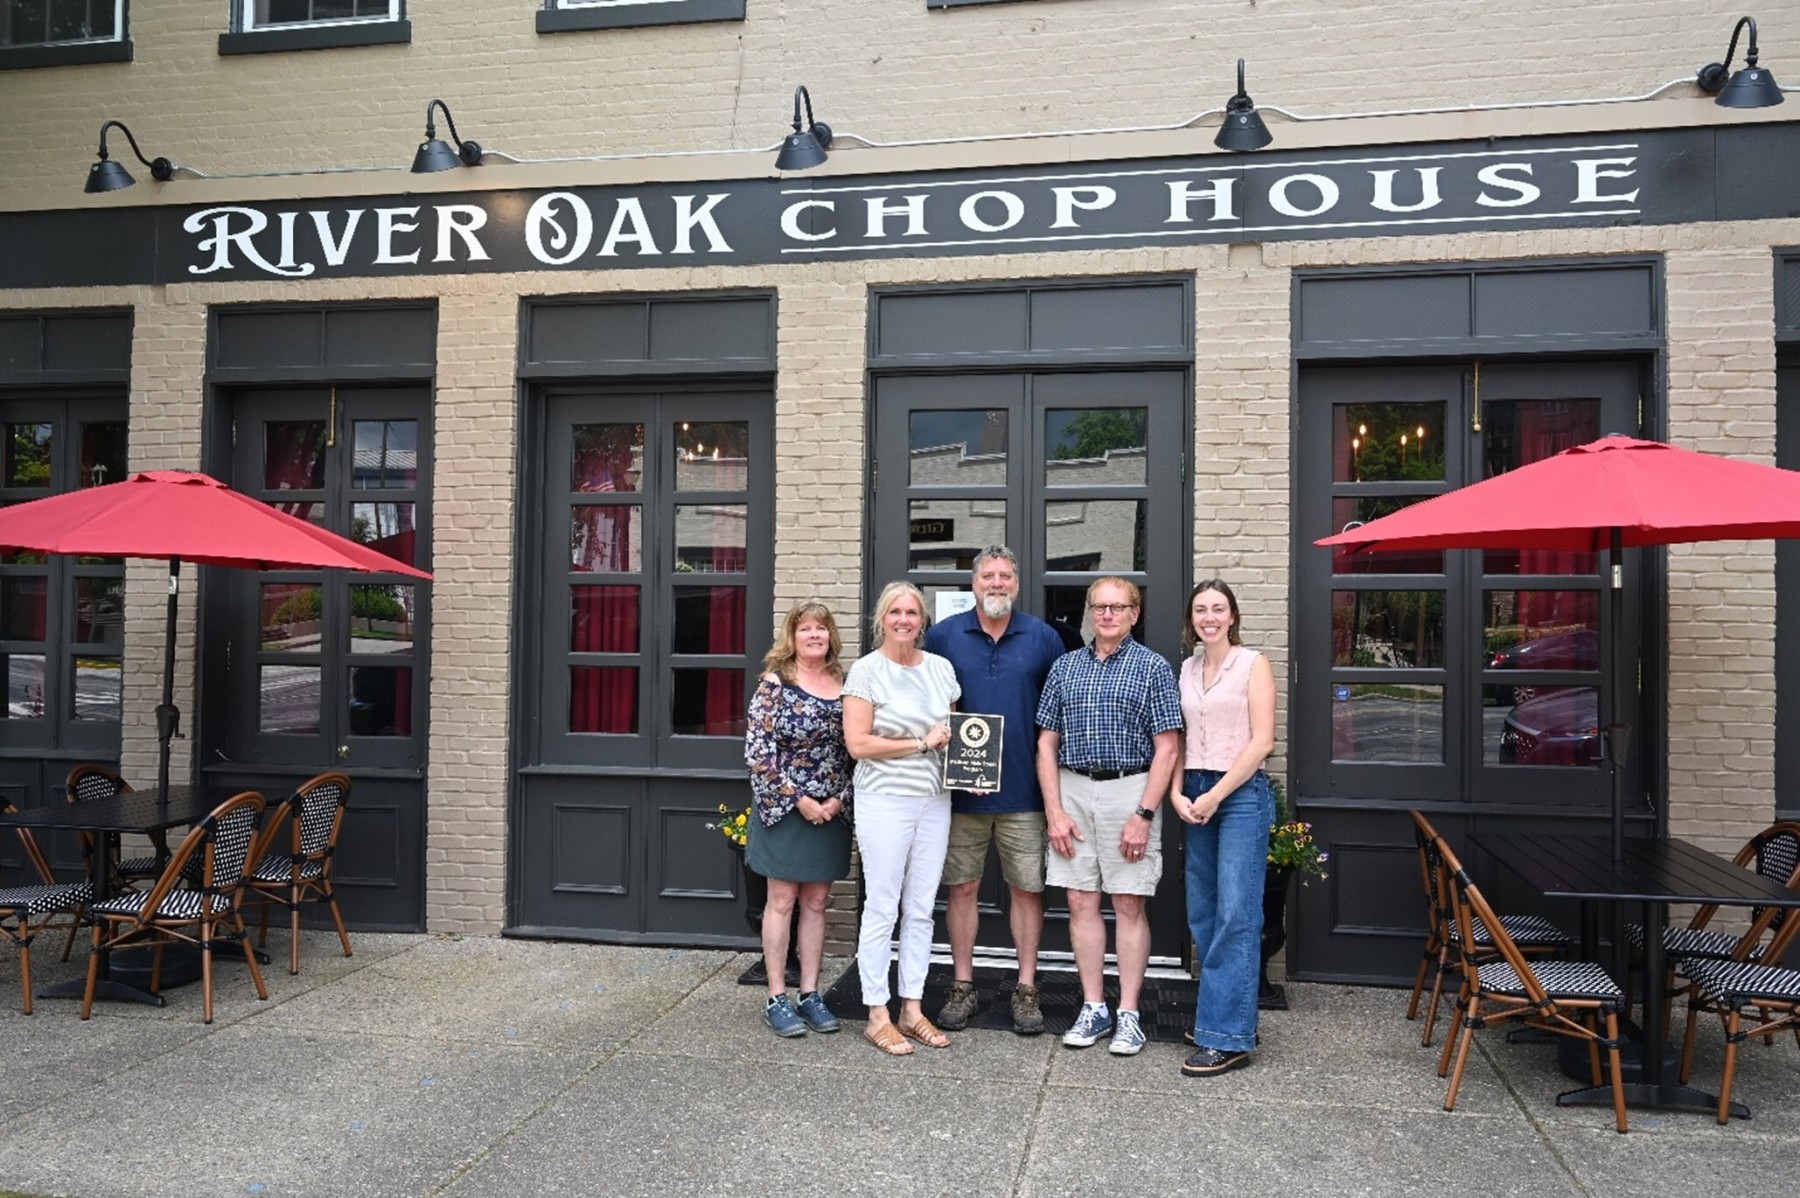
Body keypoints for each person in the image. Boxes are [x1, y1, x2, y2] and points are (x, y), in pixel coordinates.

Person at [1035, 576, 1182, 1056]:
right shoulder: (1065, 667)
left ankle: (1131, 1013)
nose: (1108, 615)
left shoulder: (1153, 668)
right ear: (1088, 612)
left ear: (1134, 614)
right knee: (1080, 901)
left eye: (1118, 607)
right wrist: (1054, 810)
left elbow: (1167, 748)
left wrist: (1144, 814)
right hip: (1073, 790)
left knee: (1128, 904)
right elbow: (1045, 743)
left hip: (1130, 790)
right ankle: (1094, 1006)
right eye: (1099, 606)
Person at [923, 546, 1066, 1035]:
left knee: (1027, 890)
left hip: (1025, 793)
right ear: (974, 583)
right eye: (989, 575)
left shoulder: (1044, 638)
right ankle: (962, 985)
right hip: (961, 793)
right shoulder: (943, 637)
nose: (997, 583)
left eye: (1006, 575)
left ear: (1017, 584)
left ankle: (1027, 988)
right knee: (961, 888)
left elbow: (1058, 715)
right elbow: (924, 703)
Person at [842, 581, 960, 1055]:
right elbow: (859, 744)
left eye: (912, 612)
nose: (904, 620)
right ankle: (876, 1013)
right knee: (882, 905)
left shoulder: (941, 668)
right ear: (882, 619)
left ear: (922, 620)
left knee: (921, 907)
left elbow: (952, 735)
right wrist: (919, 744)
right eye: (896, 612)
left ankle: (911, 1009)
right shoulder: (866, 671)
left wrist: (970, 768)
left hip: (934, 800)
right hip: (884, 800)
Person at [1170, 578, 1276, 1077]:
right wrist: (1176, 791)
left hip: (1239, 796)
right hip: (1194, 790)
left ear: (1232, 616)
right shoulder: (1187, 669)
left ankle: (1228, 1037)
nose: (1209, 617)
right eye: (1200, 610)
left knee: (1237, 913)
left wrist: (1215, 795)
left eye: (1218, 609)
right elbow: (1179, 737)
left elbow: (1262, 743)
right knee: (1204, 913)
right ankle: (1225, 1016)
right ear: (1191, 620)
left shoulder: (1254, 665)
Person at [743, 601, 854, 1039]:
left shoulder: (846, 683)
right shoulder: (774, 685)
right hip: (785, 810)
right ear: (792, 636)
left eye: (821, 629)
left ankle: (810, 994)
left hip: (831, 811)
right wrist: (799, 798)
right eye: (805, 629)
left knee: (815, 903)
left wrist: (838, 800)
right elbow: (758, 755)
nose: (814, 636)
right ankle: (777, 997)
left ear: (830, 636)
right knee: (782, 900)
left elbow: (856, 750)